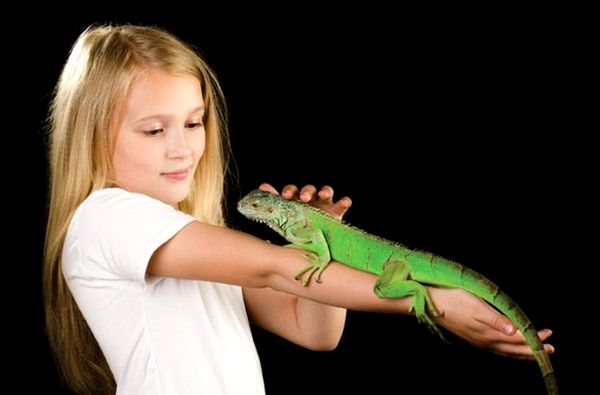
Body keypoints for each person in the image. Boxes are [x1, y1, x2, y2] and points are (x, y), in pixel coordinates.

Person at [43, 24, 554, 395]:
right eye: (155, 130)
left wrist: (325, 235)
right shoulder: (106, 217)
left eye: (194, 123)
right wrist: (436, 303)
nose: (183, 149)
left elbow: (313, 331)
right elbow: (276, 267)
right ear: (91, 139)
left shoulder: (189, 237)